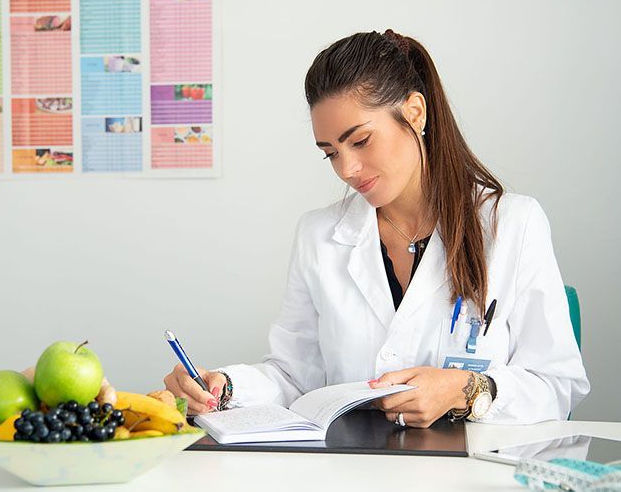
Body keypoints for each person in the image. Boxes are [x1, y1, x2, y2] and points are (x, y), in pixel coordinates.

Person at [162, 29, 590, 428]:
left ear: (414, 112)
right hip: (355, 472)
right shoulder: (318, 236)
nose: (347, 169)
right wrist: (226, 385)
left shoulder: (512, 223)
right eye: (330, 153)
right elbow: (294, 375)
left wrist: (466, 390)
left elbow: (558, 384)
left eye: (361, 141)